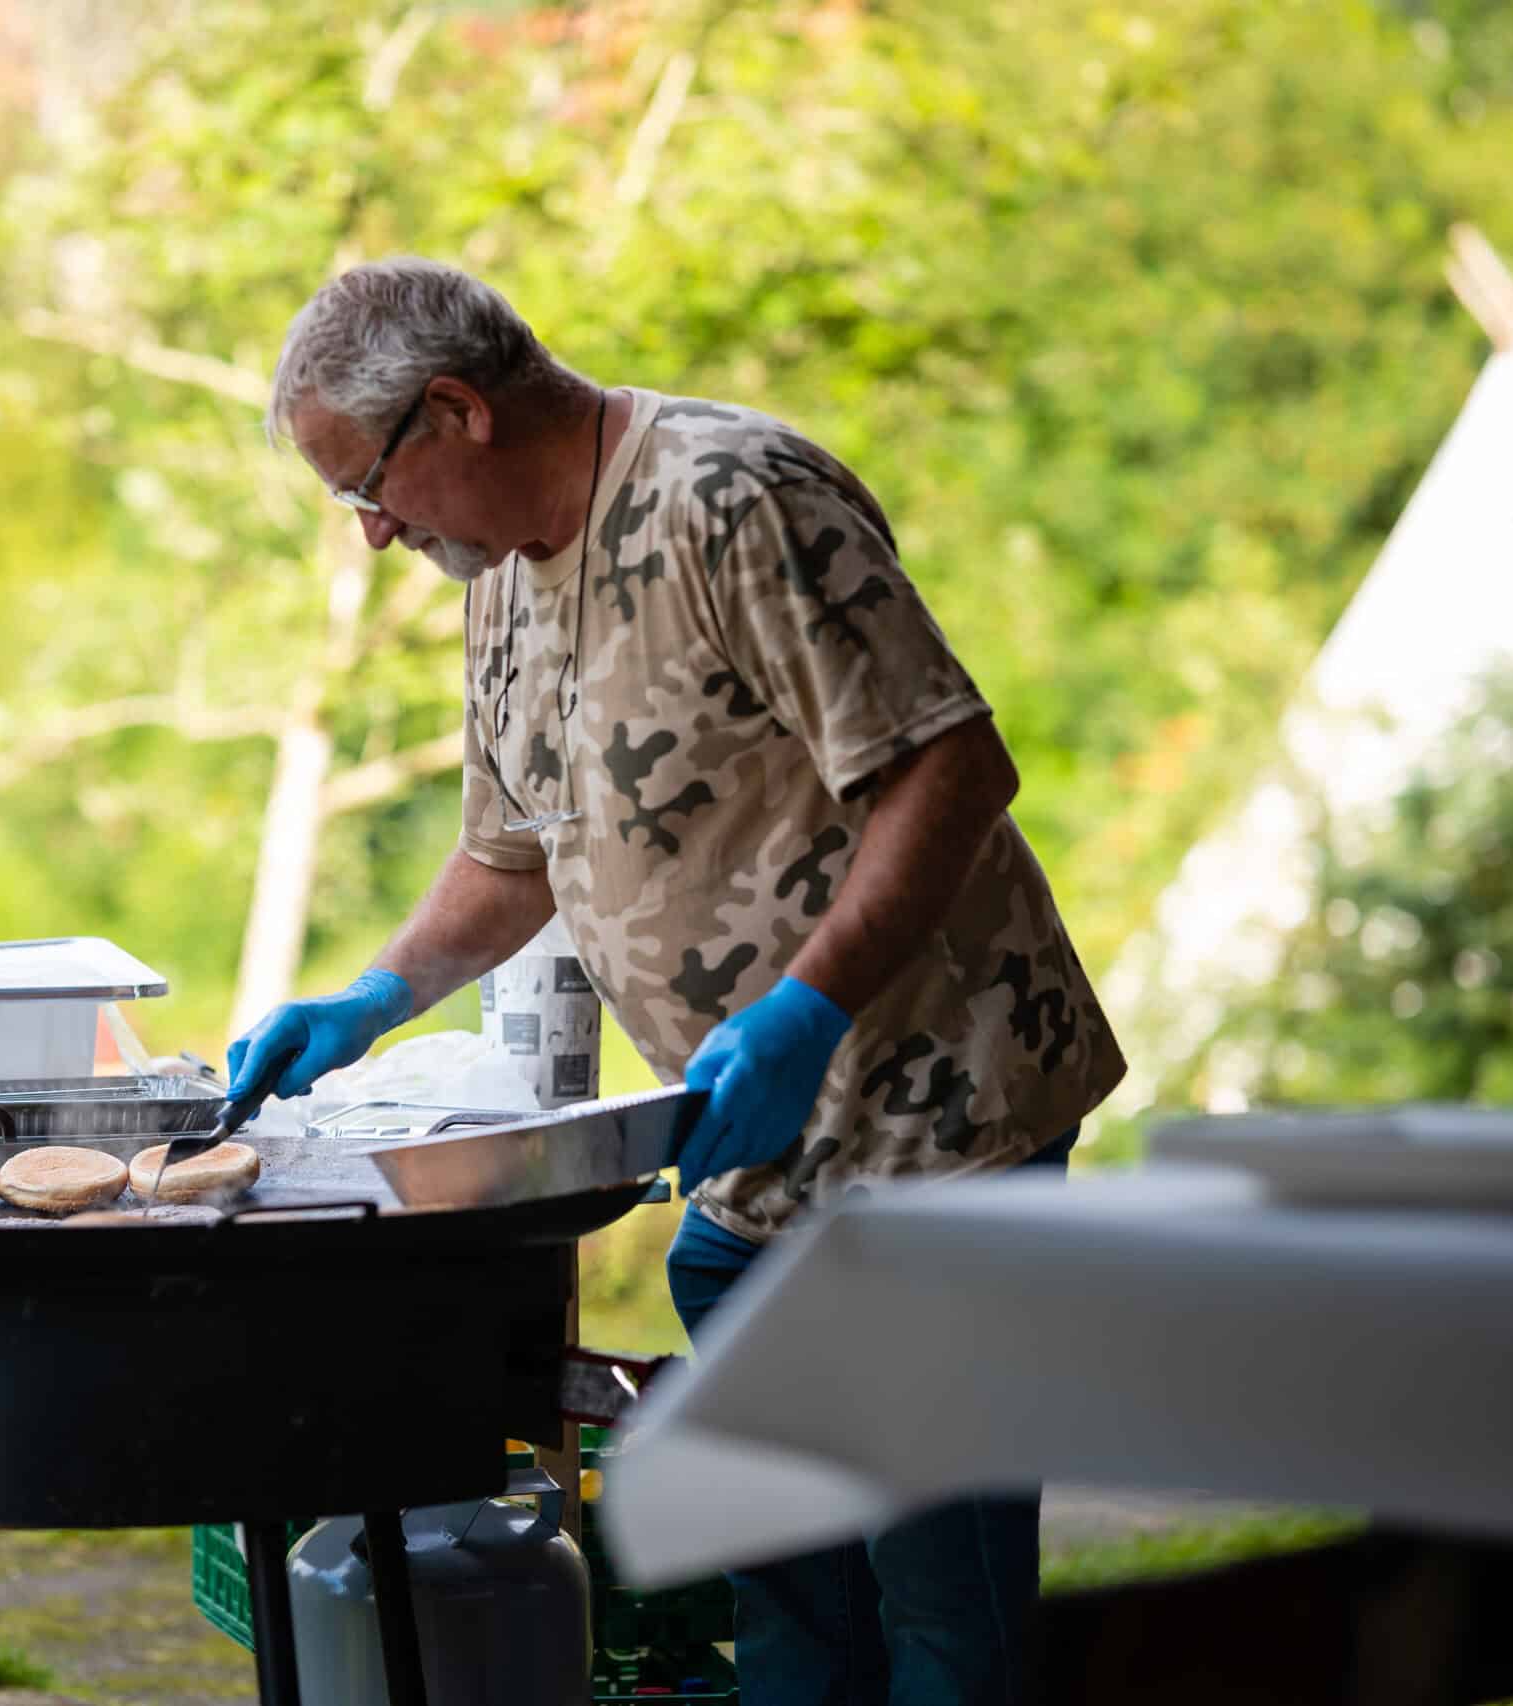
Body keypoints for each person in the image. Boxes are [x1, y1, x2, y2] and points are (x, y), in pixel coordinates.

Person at [227, 257, 1126, 1706]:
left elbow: (953, 770)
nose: (376, 531)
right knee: (794, 1614)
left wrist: (807, 1009)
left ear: (455, 410)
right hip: (758, 1172)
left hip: (930, 1131)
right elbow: (512, 853)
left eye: (368, 487)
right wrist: (372, 999)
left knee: (944, 1616)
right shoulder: (501, 579)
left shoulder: (732, 499)